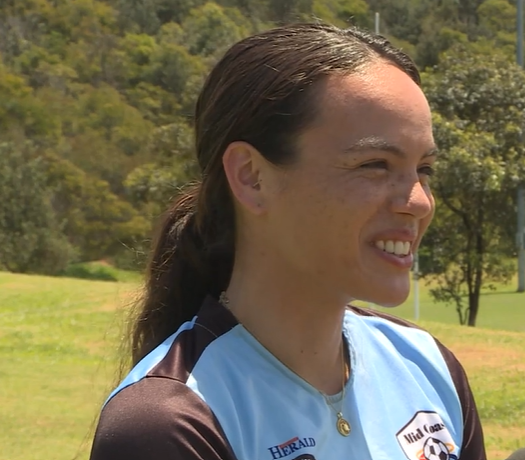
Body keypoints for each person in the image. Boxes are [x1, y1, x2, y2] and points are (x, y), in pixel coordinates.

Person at [89, 23, 486, 460]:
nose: (418, 202)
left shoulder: (426, 367)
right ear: (251, 176)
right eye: (375, 164)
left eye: (423, 170)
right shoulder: (168, 424)